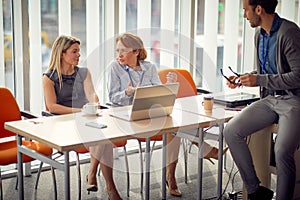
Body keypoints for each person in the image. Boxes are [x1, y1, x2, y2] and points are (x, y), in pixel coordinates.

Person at [108, 32, 227, 197]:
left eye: (123, 50)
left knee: (175, 125)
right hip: (126, 115)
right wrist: (128, 92)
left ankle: (171, 175)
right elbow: (113, 97)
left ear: (135, 52)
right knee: (174, 127)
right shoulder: (115, 67)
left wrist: (168, 85)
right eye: (117, 50)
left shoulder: (149, 67)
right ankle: (202, 149)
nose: (119, 54)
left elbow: (158, 92)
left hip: (150, 112)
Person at [223, 0, 300, 199]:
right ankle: (256, 191)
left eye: (245, 10)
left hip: (293, 101)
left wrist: (260, 79)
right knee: (231, 130)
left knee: (282, 150)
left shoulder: (289, 32)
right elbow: (268, 72)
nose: (244, 15)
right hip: (269, 100)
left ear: (258, 9)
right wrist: (244, 78)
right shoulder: (259, 35)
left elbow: (298, 76)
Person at [43, 35, 122, 200]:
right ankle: (107, 186)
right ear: (62, 54)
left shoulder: (84, 73)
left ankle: (96, 177)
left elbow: (92, 94)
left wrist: (94, 104)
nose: (79, 55)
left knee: (103, 138)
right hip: (63, 125)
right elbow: (52, 107)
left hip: (86, 120)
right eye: (74, 51)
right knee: (103, 138)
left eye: (79, 51)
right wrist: (80, 111)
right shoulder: (49, 78)